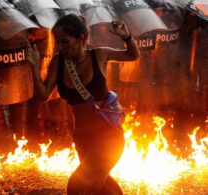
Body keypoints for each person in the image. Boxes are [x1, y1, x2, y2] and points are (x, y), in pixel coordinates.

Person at [27, 14, 140, 195]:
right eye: (58, 42)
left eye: (65, 42)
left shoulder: (99, 55)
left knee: (77, 186)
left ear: (81, 39)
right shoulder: (58, 61)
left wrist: (126, 36)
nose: (60, 47)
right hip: (82, 138)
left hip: (109, 137)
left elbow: (133, 56)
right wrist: (33, 66)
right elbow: (42, 96)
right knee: (100, 186)